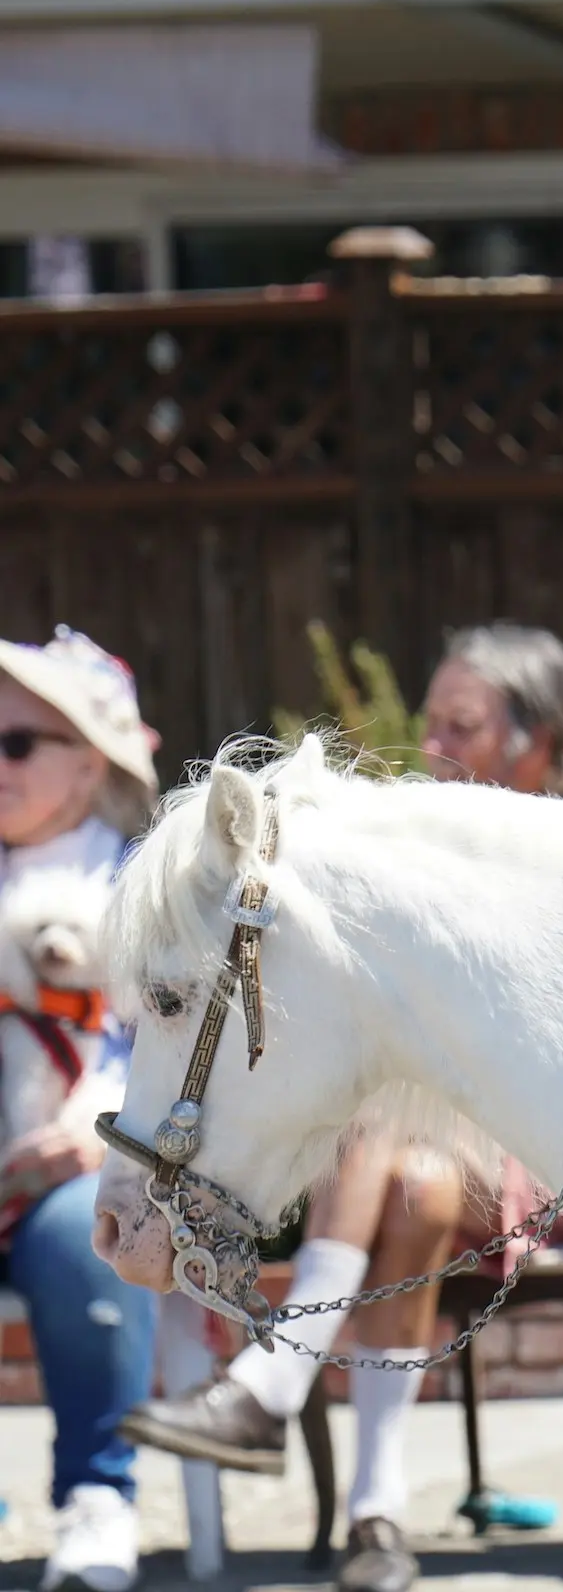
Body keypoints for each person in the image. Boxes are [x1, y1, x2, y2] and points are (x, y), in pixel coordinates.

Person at [122, 622, 563, 1592]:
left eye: (461, 726)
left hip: (532, 1151)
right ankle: (378, 1516)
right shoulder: (419, 850)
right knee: (411, 1181)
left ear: (538, 741)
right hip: (412, 1167)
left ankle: (274, 1381)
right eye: (431, 723)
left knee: (394, 1143)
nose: (432, 748)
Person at [0, 628, 162, 1592]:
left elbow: (186, 1049)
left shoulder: (146, 877)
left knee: (82, 1238)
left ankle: (97, 1500)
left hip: (92, 1160)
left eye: (14, 744)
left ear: (87, 759)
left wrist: (96, 1124)